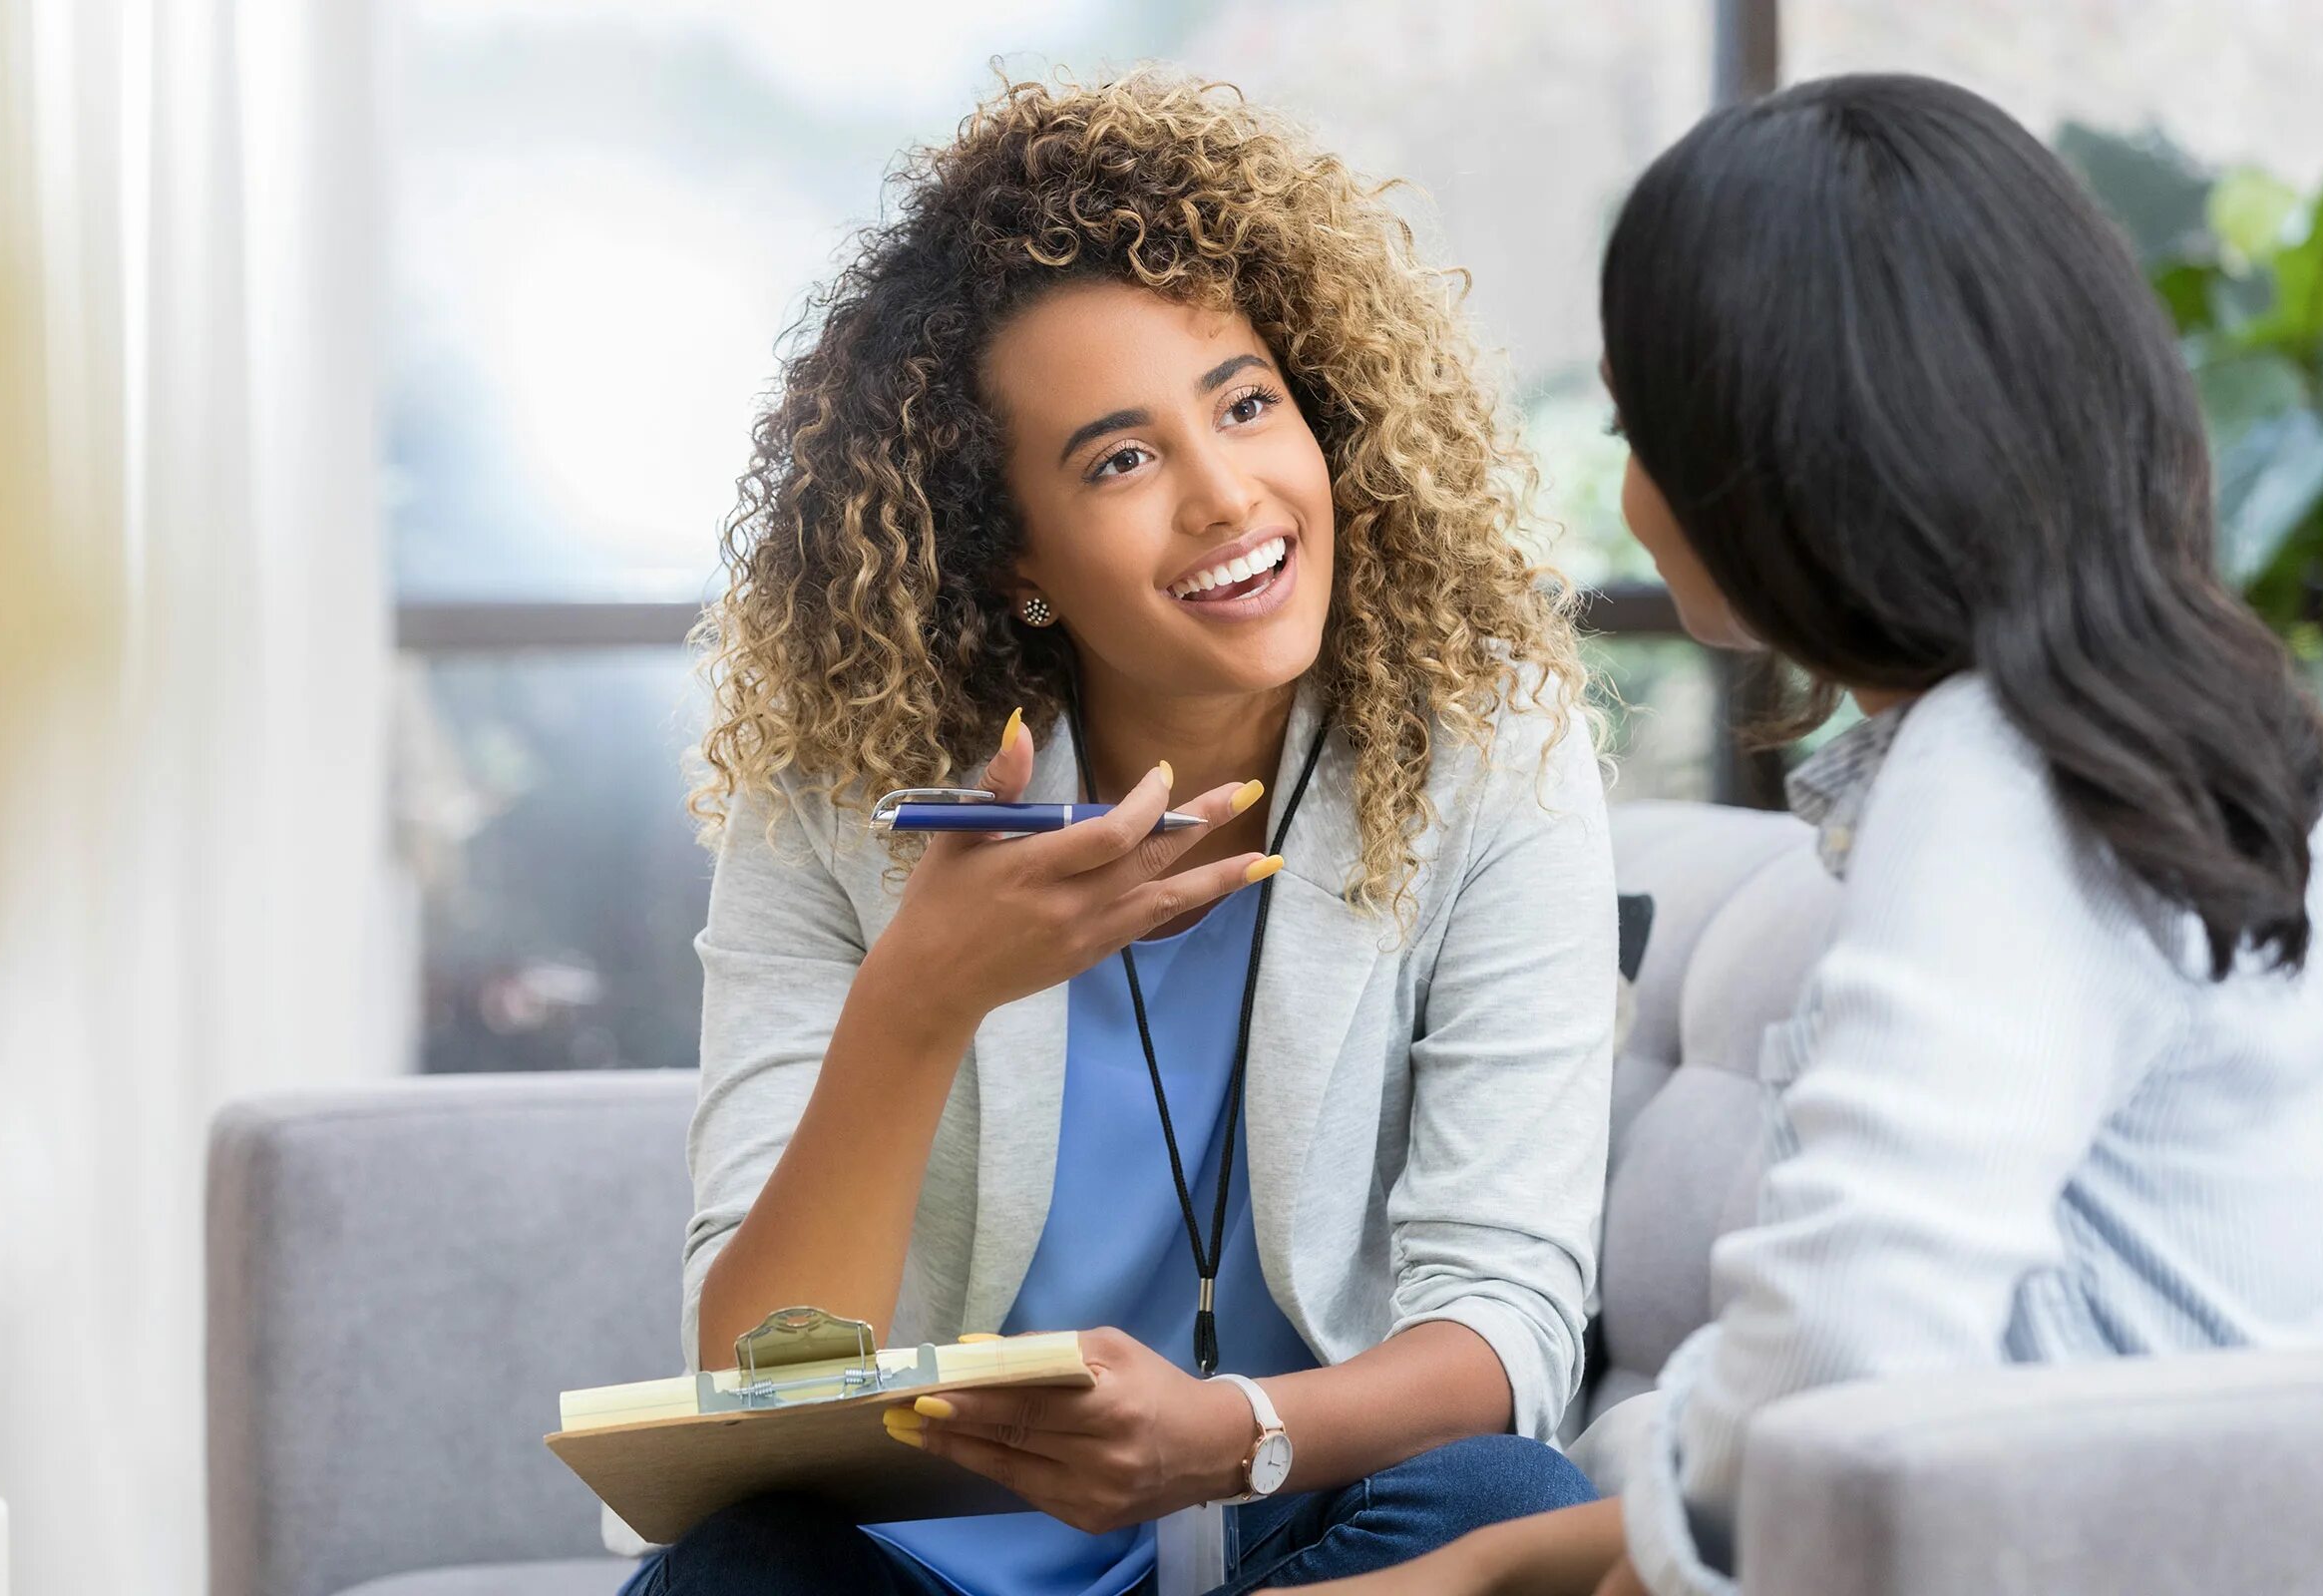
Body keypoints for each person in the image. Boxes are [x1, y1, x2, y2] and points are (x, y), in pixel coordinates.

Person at [1306, 71, 2323, 1596]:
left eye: (1637, 426)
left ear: (1781, 462)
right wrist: (1509, 1563)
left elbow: (1850, 1340)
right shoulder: (2201, 737)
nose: (1637, 492)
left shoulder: (2002, 780)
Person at [622, 71, 1618, 1596]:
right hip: (937, 1562)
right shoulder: (839, 803)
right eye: (1121, 459)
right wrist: (922, 996)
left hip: (1306, 1522)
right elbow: (756, 1388)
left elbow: (1508, 1323)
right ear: (1014, 553)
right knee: (746, 1568)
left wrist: (1232, 1434)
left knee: (1500, 1497)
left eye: (1245, 404)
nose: (1229, 497)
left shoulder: (1489, 755)